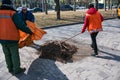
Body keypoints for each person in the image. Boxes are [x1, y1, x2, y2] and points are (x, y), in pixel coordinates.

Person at [0, 0, 33, 74]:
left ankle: (10, 68)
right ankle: (16, 69)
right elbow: (21, 25)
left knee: (7, 54)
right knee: (14, 54)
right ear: (10, 4)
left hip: (2, 39)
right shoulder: (12, 13)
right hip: (12, 38)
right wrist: (30, 32)